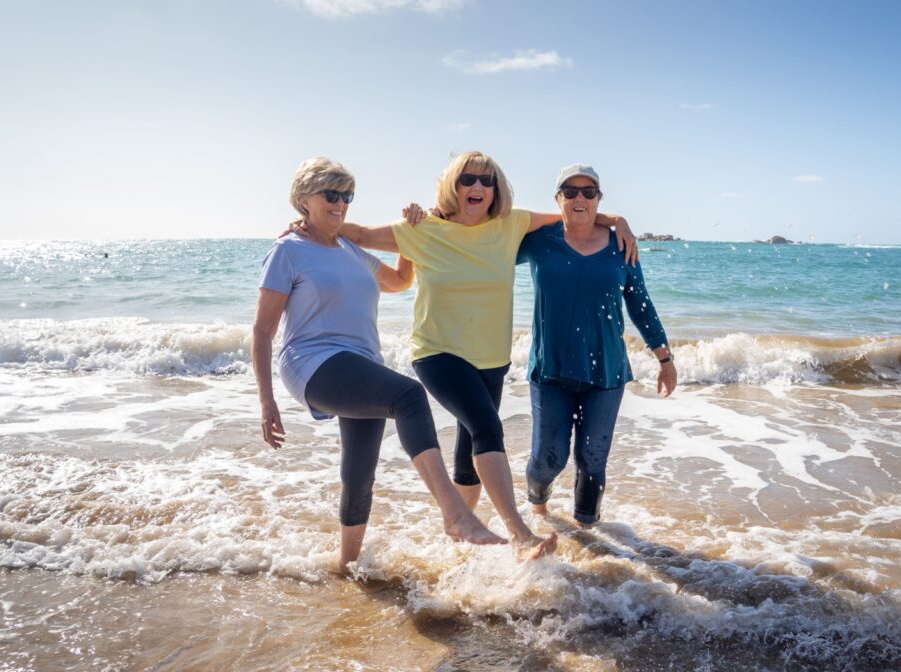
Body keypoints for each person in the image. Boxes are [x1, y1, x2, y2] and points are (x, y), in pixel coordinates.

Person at [331, 151, 638, 557]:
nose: (477, 187)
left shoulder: (512, 224)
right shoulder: (421, 229)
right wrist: (309, 226)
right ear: (453, 186)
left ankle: (461, 546)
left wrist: (618, 221)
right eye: (468, 180)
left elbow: (575, 214)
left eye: (486, 180)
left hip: (491, 359)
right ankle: (519, 534)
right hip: (437, 352)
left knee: (467, 452)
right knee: (487, 429)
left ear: (497, 190)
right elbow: (357, 234)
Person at [252, 157, 504, 572]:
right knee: (408, 394)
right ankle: (456, 516)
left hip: (360, 364)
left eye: (346, 195)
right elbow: (262, 331)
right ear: (303, 200)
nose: (340, 203)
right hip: (312, 362)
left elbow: (401, 282)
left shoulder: (351, 249)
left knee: (360, 467)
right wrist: (267, 401)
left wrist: (413, 234)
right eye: (330, 194)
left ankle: (347, 565)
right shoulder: (288, 250)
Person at [517, 163, 677, 526]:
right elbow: (486, 251)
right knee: (548, 459)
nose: (579, 198)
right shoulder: (539, 242)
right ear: (557, 198)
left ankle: (588, 535)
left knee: (592, 460)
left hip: (605, 372)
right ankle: (538, 507)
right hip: (550, 368)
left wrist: (664, 358)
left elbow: (640, 303)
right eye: (570, 191)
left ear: (598, 198)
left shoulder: (621, 246)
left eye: (588, 192)